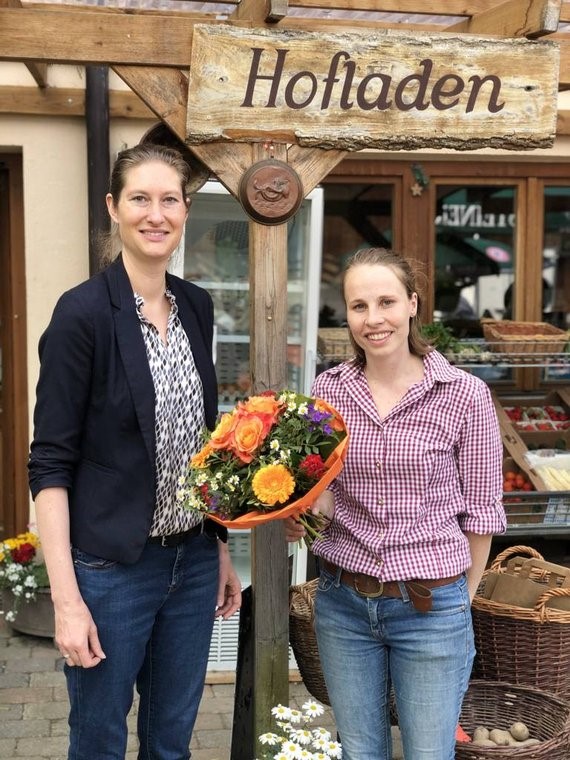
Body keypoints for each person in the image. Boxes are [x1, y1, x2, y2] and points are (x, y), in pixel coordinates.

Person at [28, 143, 242, 760]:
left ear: (186, 210)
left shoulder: (196, 306)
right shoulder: (82, 314)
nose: (156, 214)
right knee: (99, 740)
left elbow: (203, 441)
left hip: (192, 562)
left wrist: (218, 545)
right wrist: (66, 602)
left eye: (169, 200)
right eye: (140, 199)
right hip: (111, 570)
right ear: (113, 208)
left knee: (171, 741)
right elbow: (50, 464)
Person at [284, 247, 506, 760]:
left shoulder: (464, 395)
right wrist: (304, 514)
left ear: (412, 304)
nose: (373, 319)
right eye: (359, 306)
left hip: (431, 607)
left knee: (429, 752)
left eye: (386, 302)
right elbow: (328, 492)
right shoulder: (329, 389)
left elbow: (481, 514)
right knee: (361, 750)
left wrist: (461, 601)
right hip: (343, 603)